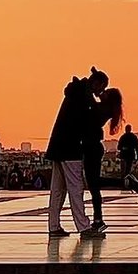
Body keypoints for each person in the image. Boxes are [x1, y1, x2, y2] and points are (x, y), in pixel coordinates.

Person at [46, 66, 108, 238]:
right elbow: (92, 118)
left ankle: (53, 226)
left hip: (58, 146)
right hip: (71, 147)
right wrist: (104, 103)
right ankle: (83, 227)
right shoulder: (84, 96)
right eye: (102, 87)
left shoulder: (76, 92)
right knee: (75, 187)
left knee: (58, 190)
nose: (101, 92)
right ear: (96, 83)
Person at [84, 87, 124, 233]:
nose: (103, 92)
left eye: (105, 92)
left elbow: (92, 105)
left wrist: (89, 90)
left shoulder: (103, 109)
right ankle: (98, 219)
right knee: (94, 185)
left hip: (92, 148)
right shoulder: (106, 109)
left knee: (93, 183)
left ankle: (123, 182)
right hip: (94, 147)